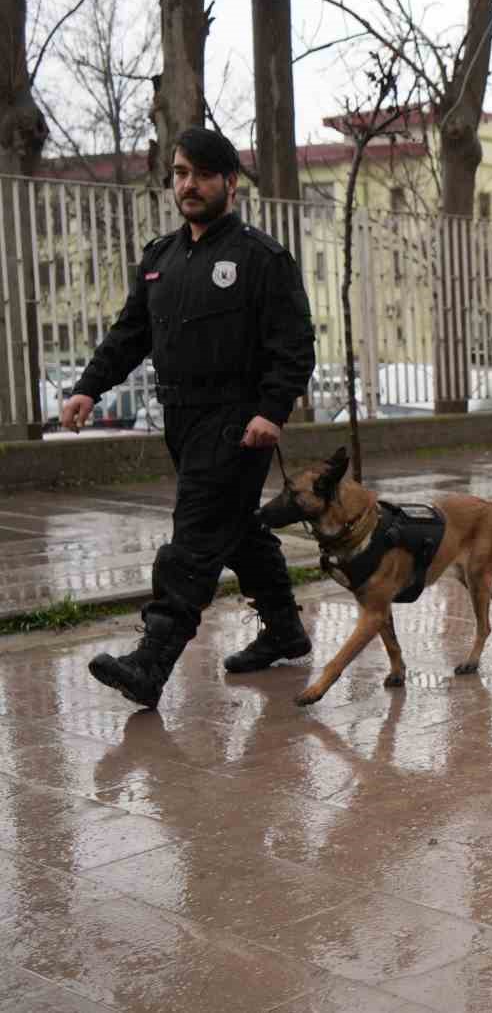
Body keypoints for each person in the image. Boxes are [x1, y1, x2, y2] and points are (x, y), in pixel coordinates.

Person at [59, 128, 316, 709]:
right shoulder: (161, 259)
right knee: (236, 528)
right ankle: (284, 629)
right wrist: (88, 389)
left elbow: (296, 345)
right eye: (179, 173)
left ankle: (152, 661)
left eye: (201, 174)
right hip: (182, 417)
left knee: (195, 536)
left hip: (237, 422)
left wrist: (271, 412)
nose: (188, 184)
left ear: (230, 182)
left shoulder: (260, 257)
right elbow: (130, 335)